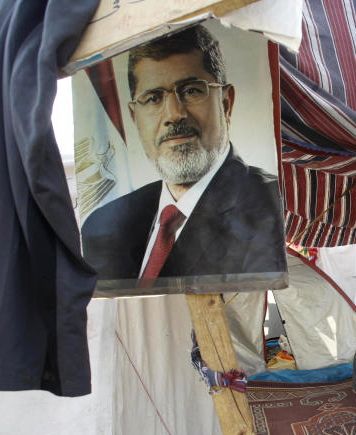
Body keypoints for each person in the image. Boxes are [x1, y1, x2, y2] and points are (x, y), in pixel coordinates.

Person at [81, 24, 286, 283]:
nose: (174, 114)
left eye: (191, 91)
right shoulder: (103, 225)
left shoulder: (268, 206)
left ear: (226, 103)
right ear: (134, 117)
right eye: (153, 98)